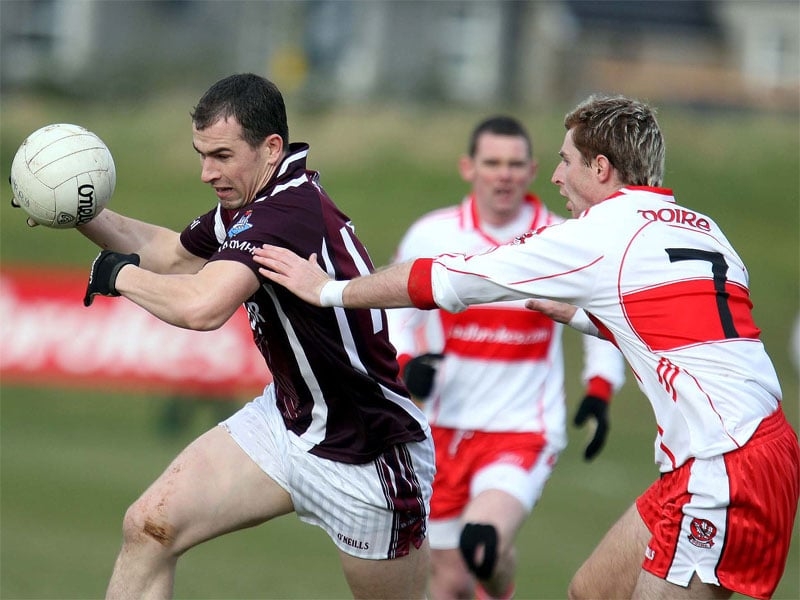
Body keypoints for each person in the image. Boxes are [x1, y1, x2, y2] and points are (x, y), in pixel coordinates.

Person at [251, 94, 800, 600]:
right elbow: (693, 331)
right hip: (743, 447)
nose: (556, 176)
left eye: (565, 161)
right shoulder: (700, 227)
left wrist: (328, 290)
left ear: (600, 169)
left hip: (724, 462)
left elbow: (441, 280)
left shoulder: (599, 233)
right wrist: (585, 318)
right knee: (591, 591)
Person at [14, 73, 435, 598]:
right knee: (149, 527)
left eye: (221, 156)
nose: (206, 172)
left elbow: (203, 306)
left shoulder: (285, 213)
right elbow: (173, 255)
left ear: (271, 147)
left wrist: (117, 275)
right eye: (201, 154)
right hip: (287, 421)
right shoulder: (255, 198)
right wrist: (74, 207)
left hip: (366, 450)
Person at [385, 115, 625, 599]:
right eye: (492, 163)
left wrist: (599, 390)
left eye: (515, 164)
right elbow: (394, 307)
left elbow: (603, 318)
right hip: (441, 428)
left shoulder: (564, 238)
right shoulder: (432, 235)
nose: (504, 175)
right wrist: (406, 362)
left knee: (482, 545)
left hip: (522, 429)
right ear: (468, 168)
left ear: (533, 170)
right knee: (448, 578)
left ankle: (499, 584)